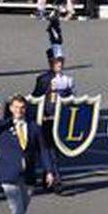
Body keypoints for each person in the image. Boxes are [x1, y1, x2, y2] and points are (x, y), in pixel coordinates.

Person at [31, 40, 73, 192]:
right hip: (45, 119)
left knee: (51, 149)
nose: (59, 64)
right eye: (56, 61)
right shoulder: (43, 79)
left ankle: (47, 177)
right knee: (47, 149)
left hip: (58, 119)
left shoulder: (68, 80)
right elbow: (35, 97)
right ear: (50, 63)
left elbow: (71, 100)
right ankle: (56, 179)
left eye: (61, 61)